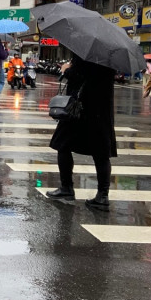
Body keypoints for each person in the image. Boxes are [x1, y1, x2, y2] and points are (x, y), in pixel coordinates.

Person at [46, 54, 116, 211]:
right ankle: (102, 196)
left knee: (62, 144)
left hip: (79, 107)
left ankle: (66, 188)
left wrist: (66, 70)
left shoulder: (86, 52)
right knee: (101, 153)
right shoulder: (110, 55)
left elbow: (79, 75)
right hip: (102, 109)